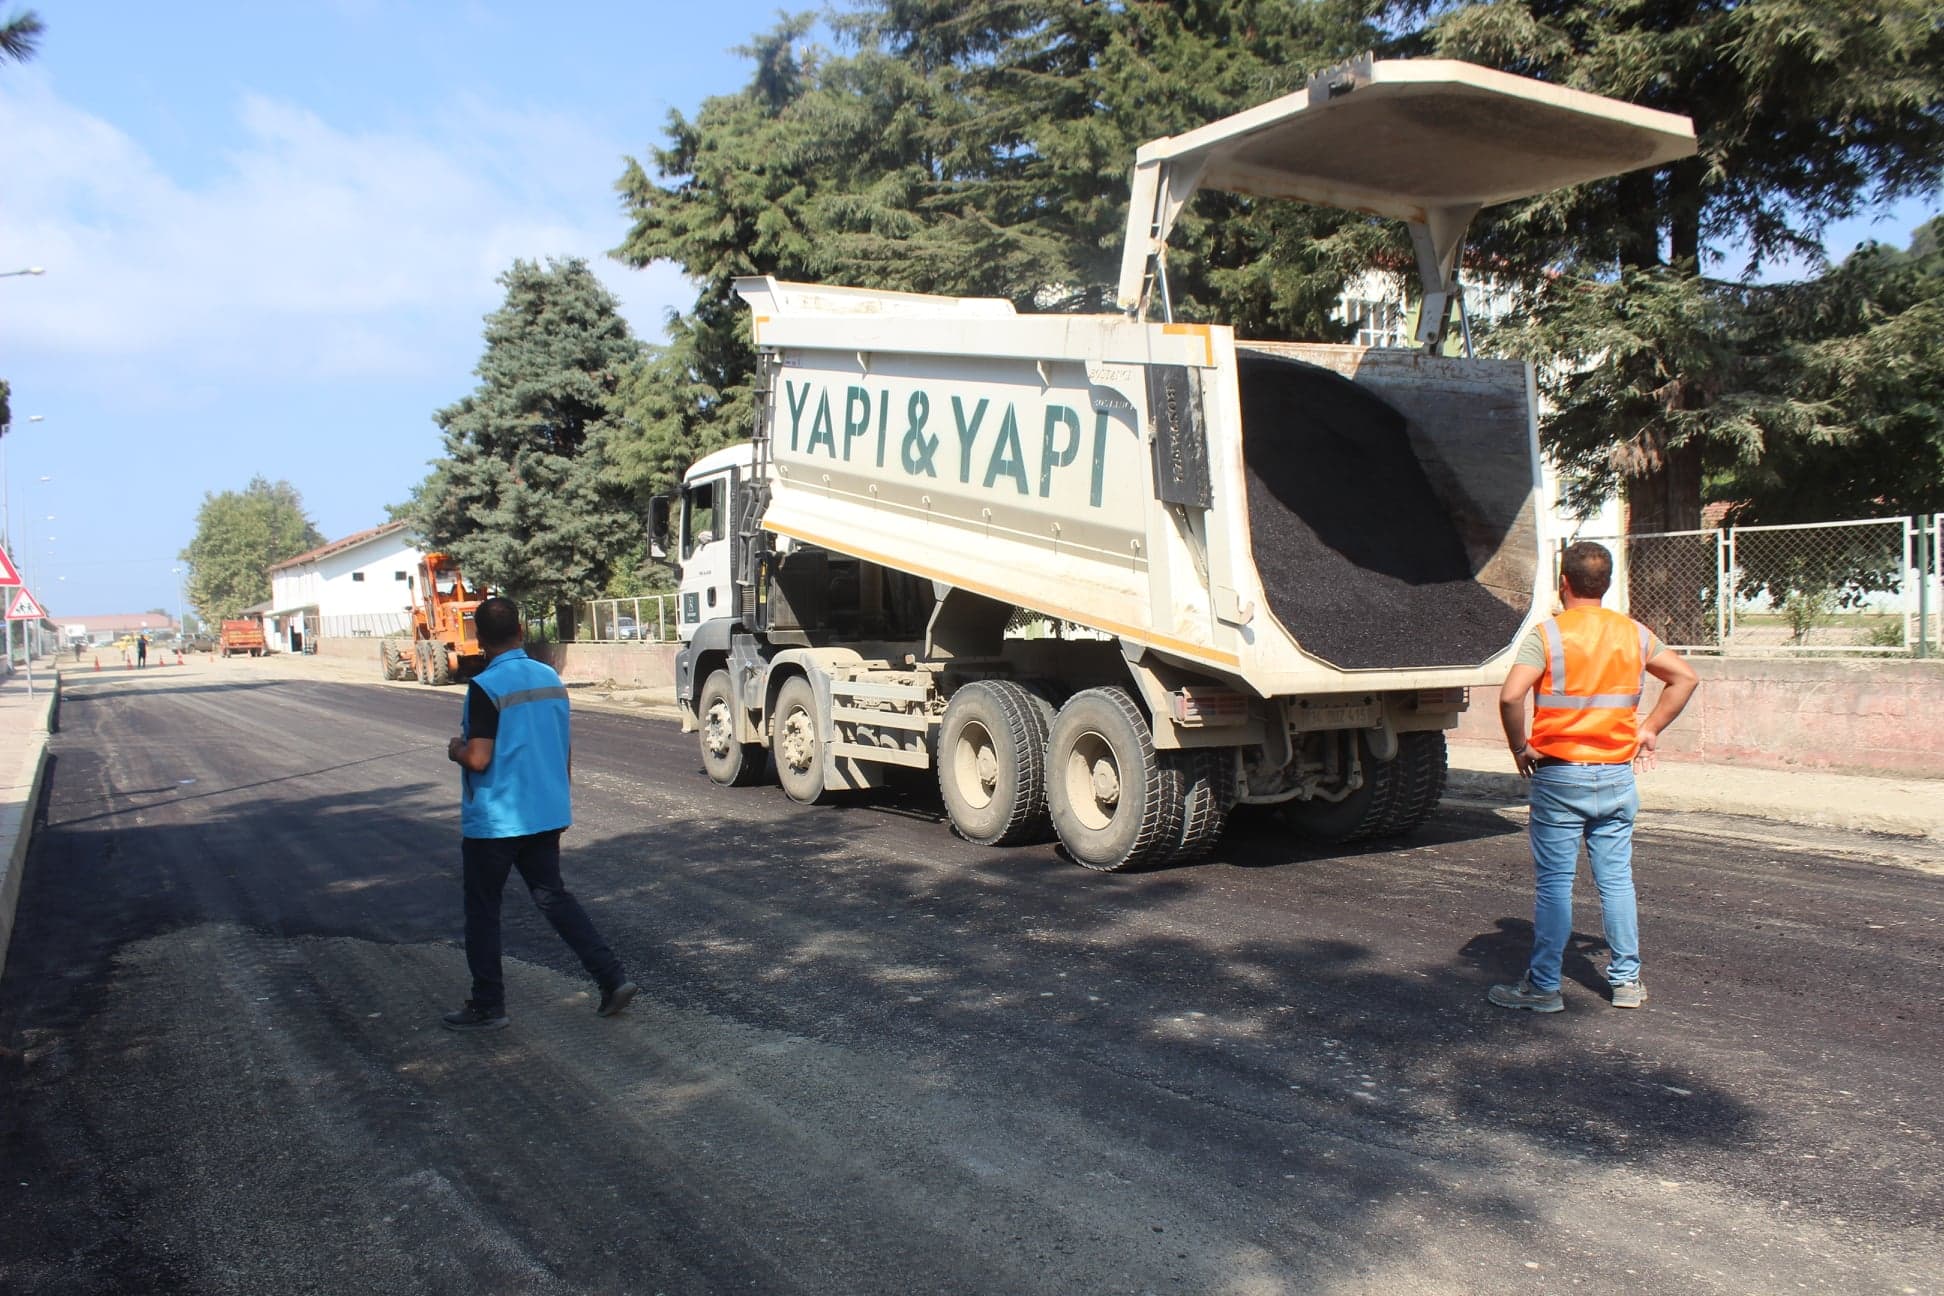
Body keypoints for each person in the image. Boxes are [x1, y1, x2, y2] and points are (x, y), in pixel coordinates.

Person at [1489, 541, 1699, 1013]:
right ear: (1605, 585)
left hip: (1561, 777)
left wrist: (1519, 748)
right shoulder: (1634, 634)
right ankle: (1626, 982)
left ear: (1563, 583)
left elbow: (1509, 697)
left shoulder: (1547, 636)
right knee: (1617, 881)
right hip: (1617, 776)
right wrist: (1649, 729)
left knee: (1555, 885)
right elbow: (1684, 677)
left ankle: (1544, 988)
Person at [441, 596, 637, 1031]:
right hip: (546, 811)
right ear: (521, 631)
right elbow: (561, 745)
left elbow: (478, 758)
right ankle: (611, 977)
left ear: (478, 637)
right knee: (553, 898)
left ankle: (488, 1005)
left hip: (496, 820)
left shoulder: (485, 687)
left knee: (483, 911)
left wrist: (454, 749)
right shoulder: (549, 678)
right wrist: (560, 799)